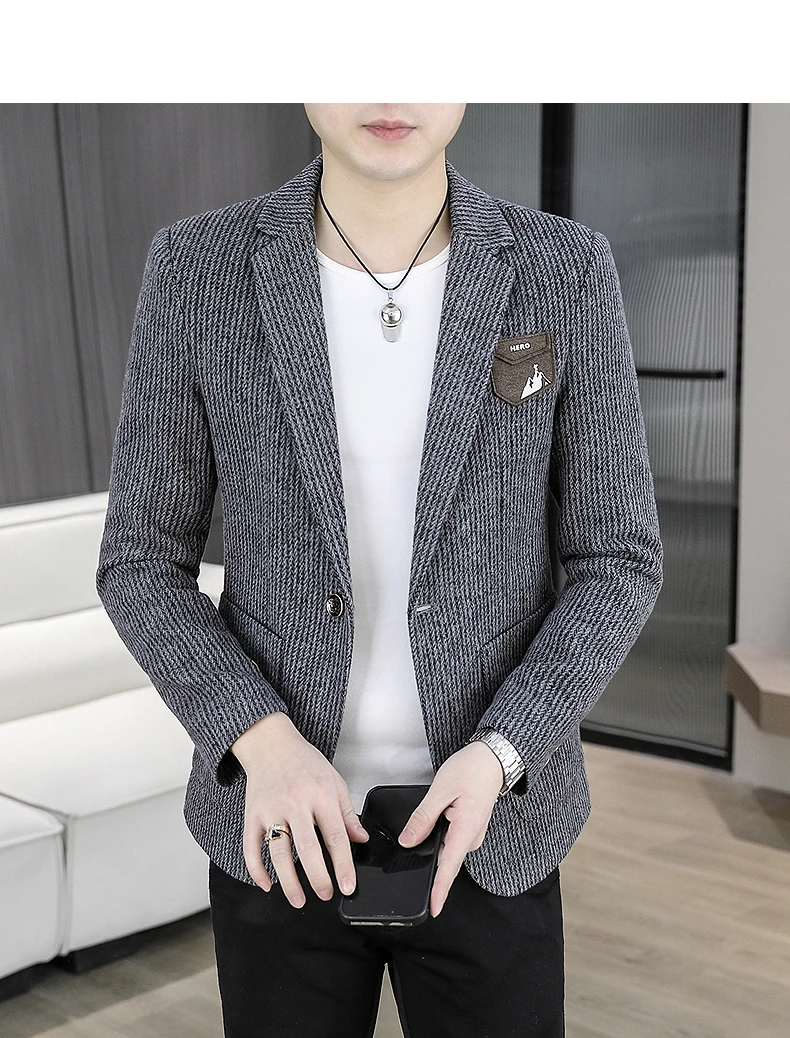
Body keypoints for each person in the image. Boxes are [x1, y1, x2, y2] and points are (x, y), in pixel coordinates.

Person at [96, 103, 663, 1037]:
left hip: (495, 822)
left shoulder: (564, 269)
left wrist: (503, 751)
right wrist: (262, 743)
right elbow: (140, 562)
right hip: (279, 826)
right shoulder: (198, 268)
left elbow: (618, 559)